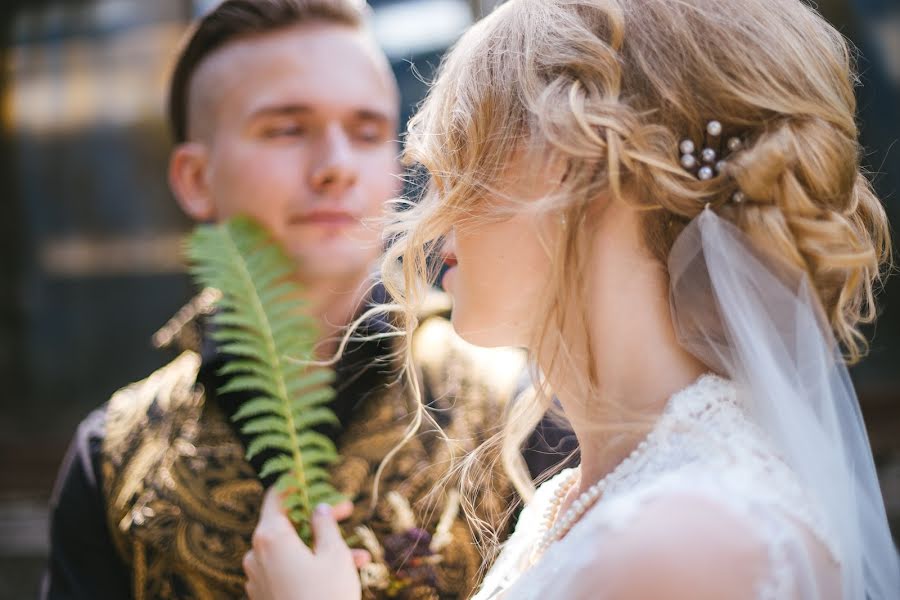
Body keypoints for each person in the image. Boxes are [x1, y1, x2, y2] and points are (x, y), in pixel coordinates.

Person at [242, 0, 900, 598]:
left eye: (464, 155)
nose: (431, 210)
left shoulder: (687, 540)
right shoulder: (576, 497)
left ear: (578, 166)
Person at [42, 1, 560, 598]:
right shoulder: (112, 461)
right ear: (194, 179)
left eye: (367, 132)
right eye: (287, 129)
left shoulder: (521, 414)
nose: (337, 167)